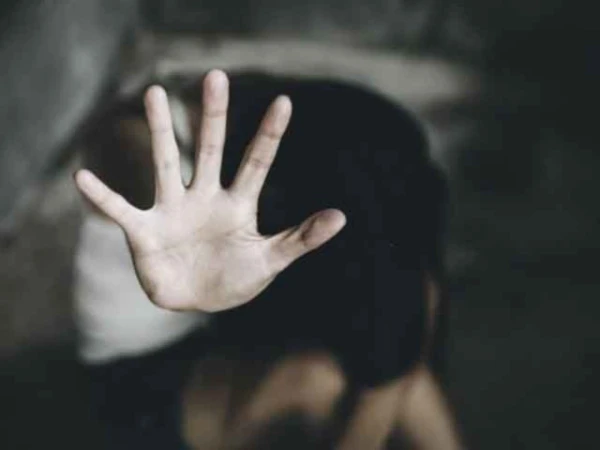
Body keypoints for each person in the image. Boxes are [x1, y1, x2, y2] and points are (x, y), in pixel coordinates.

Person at [73, 69, 464, 449]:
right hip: (141, 370)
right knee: (328, 376)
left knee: (405, 312)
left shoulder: (274, 143)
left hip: (211, 330)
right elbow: (122, 147)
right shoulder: (136, 139)